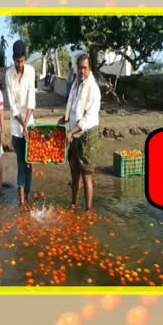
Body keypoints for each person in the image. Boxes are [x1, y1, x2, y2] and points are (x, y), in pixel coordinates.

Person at [60, 53, 100, 212]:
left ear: (90, 68)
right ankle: (74, 205)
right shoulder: (77, 83)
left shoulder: (93, 88)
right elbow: (73, 104)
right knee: (74, 172)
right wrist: (66, 117)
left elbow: (88, 118)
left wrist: (72, 132)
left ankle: (88, 210)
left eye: (85, 67)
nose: (82, 71)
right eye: (80, 67)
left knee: (86, 174)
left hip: (87, 135)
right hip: (74, 133)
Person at [5, 39, 36, 206]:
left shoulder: (31, 71)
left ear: (25, 58)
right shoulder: (9, 74)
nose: (20, 65)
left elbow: (31, 100)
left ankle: (28, 193)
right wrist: (22, 126)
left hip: (29, 124)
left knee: (30, 163)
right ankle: (22, 200)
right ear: (13, 59)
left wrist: (27, 125)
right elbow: (12, 105)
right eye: (17, 61)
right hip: (17, 127)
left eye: (22, 61)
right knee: (20, 163)